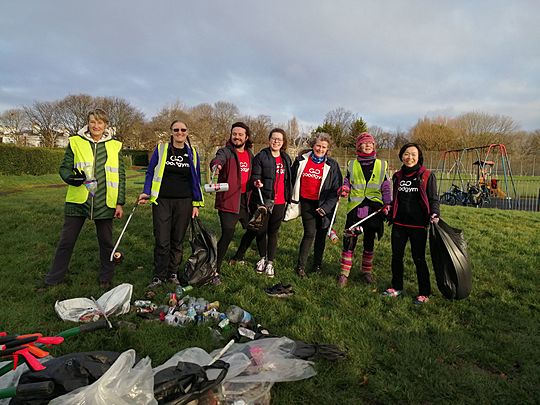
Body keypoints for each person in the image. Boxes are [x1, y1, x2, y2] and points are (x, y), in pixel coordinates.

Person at [45, 108, 125, 289]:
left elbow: (120, 175)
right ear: (88, 124)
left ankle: (106, 277)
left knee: (106, 243)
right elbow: (64, 167)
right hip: (78, 201)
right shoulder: (75, 142)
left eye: (100, 122)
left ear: (106, 125)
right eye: (93, 122)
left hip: (105, 201)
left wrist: (120, 202)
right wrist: (70, 178)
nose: (96, 126)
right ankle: (53, 279)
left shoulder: (115, 145)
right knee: (66, 241)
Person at [139, 120, 204, 288]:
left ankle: (173, 273)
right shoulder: (161, 149)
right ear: (171, 132)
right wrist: (146, 191)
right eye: (176, 130)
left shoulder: (193, 153)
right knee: (162, 239)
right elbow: (150, 172)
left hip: (184, 202)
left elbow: (196, 180)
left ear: (187, 132)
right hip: (162, 201)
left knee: (177, 239)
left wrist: (196, 204)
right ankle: (159, 275)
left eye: (183, 130)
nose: (180, 132)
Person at [383, 143, 440, 304]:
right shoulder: (397, 176)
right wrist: (389, 209)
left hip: (418, 226)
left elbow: (434, 199)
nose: (410, 157)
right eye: (406, 154)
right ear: (402, 156)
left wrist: (435, 213)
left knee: (419, 258)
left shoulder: (427, 175)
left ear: (419, 156)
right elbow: (396, 198)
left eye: (413, 154)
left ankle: (424, 292)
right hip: (399, 224)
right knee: (396, 257)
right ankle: (396, 287)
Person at [232, 129, 292, 278]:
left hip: (280, 202)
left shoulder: (286, 159)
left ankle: (270, 262)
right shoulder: (261, 156)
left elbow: (288, 180)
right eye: (273, 138)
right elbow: (255, 175)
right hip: (263, 201)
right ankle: (262, 258)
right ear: (269, 140)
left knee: (273, 232)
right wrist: (256, 181)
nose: (276, 141)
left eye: (279, 139)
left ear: (283, 142)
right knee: (260, 230)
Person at [338, 132, 392, 287]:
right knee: (349, 240)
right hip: (355, 208)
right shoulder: (352, 164)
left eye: (371, 143)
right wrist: (345, 188)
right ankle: (344, 273)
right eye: (364, 143)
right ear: (358, 146)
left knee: (369, 241)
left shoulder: (382, 164)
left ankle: (366, 272)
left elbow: (386, 186)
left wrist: (388, 203)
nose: (368, 145)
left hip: (374, 209)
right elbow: (347, 180)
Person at [291, 133, 342, 277]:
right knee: (309, 233)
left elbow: (335, 190)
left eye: (324, 147)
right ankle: (300, 267)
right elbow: (291, 178)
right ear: (313, 145)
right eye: (318, 145)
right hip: (307, 202)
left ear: (328, 149)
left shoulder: (332, 165)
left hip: (325, 204)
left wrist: (325, 208)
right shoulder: (301, 160)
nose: (320, 149)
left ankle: (317, 265)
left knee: (321, 235)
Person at [210, 122, 254, 282]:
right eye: (234, 134)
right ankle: (215, 269)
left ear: (246, 137)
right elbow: (218, 159)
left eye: (240, 134)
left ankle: (239, 255)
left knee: (255, 228)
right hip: (228, 201)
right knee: (228, 234)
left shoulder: (250, 154)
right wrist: (216, 166)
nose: (237, 137)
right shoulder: (226, 151)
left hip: (245, 201)